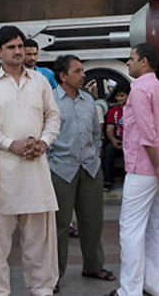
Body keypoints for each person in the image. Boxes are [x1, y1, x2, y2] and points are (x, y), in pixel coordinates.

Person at [0, 25, 61, 296]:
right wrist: (12, 144)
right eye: (11, 47)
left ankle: (43, 290)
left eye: (20, 46)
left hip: (35, 167)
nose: (18, 51)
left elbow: (53, 116)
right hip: (1, 170)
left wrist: (43, 142)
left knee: (40, 240)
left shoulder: (40, 81)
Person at [110, 43, 159, 296]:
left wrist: (158, 166)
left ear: (144, 62)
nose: (128, 63)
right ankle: (156, 286)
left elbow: (146, 133)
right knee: (157, 229)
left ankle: (129, 290)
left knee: (131, 229)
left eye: (131, 58)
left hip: (143, 169)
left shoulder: (139, 90)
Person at [48, 55, 115, 287]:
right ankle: (54, 276)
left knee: (92, 221)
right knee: (59, 225)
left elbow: (97, 134)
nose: (83, 74)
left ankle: (94, 266)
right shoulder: (51, 101)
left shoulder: (89, 100)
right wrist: (51, 164)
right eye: (77, 71)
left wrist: (94, 156)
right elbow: (44, 136)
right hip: (61, 170)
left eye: (82, 70)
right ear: (63, 76)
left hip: (90, 169)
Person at [102, 84, 129, 191]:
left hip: (131, 142)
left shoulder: (133, 109)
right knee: (108, 150)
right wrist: (114, 141)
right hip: (118, 140)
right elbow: (109, 129)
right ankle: (108, 181)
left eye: (122, 96)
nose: (119, 99)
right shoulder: (114, 111)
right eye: (117, 96)